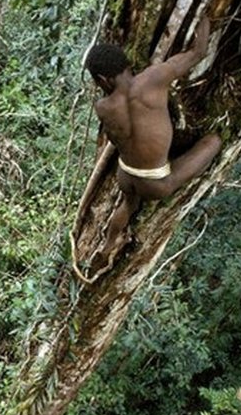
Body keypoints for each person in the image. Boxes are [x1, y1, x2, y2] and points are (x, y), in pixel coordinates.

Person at [84, 18, 221, 255]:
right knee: (214, 142)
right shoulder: (154, 78)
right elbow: (198, 52)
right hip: (156, 184)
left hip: (125, 175)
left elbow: (118, 139)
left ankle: (108, 245)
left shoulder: (102, 107)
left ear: (103, 80)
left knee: (128, 203)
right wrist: (206, 18)